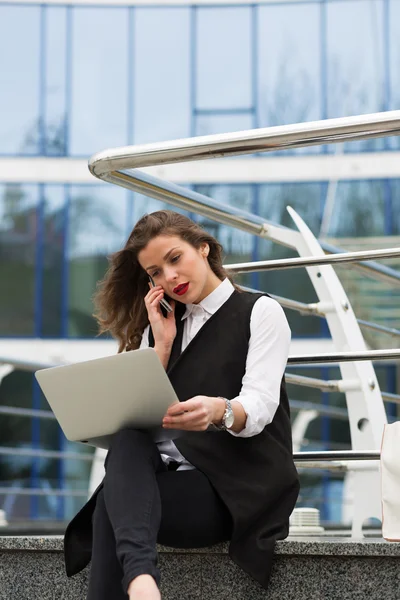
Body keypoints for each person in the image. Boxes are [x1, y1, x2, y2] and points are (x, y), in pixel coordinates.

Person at [64, 210, 300, 600]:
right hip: (165, 482)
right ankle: (142, 582)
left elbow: (259, 407)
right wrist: (162, 347)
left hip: (231, 488)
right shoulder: (162, 326)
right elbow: (135, 416)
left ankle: (141, 582)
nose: (168, 277)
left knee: (110, 502)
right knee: (125, 444)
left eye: (175, 259)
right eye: (155, 272)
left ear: (203, 248)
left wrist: (218, 411)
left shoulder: (259, 312)